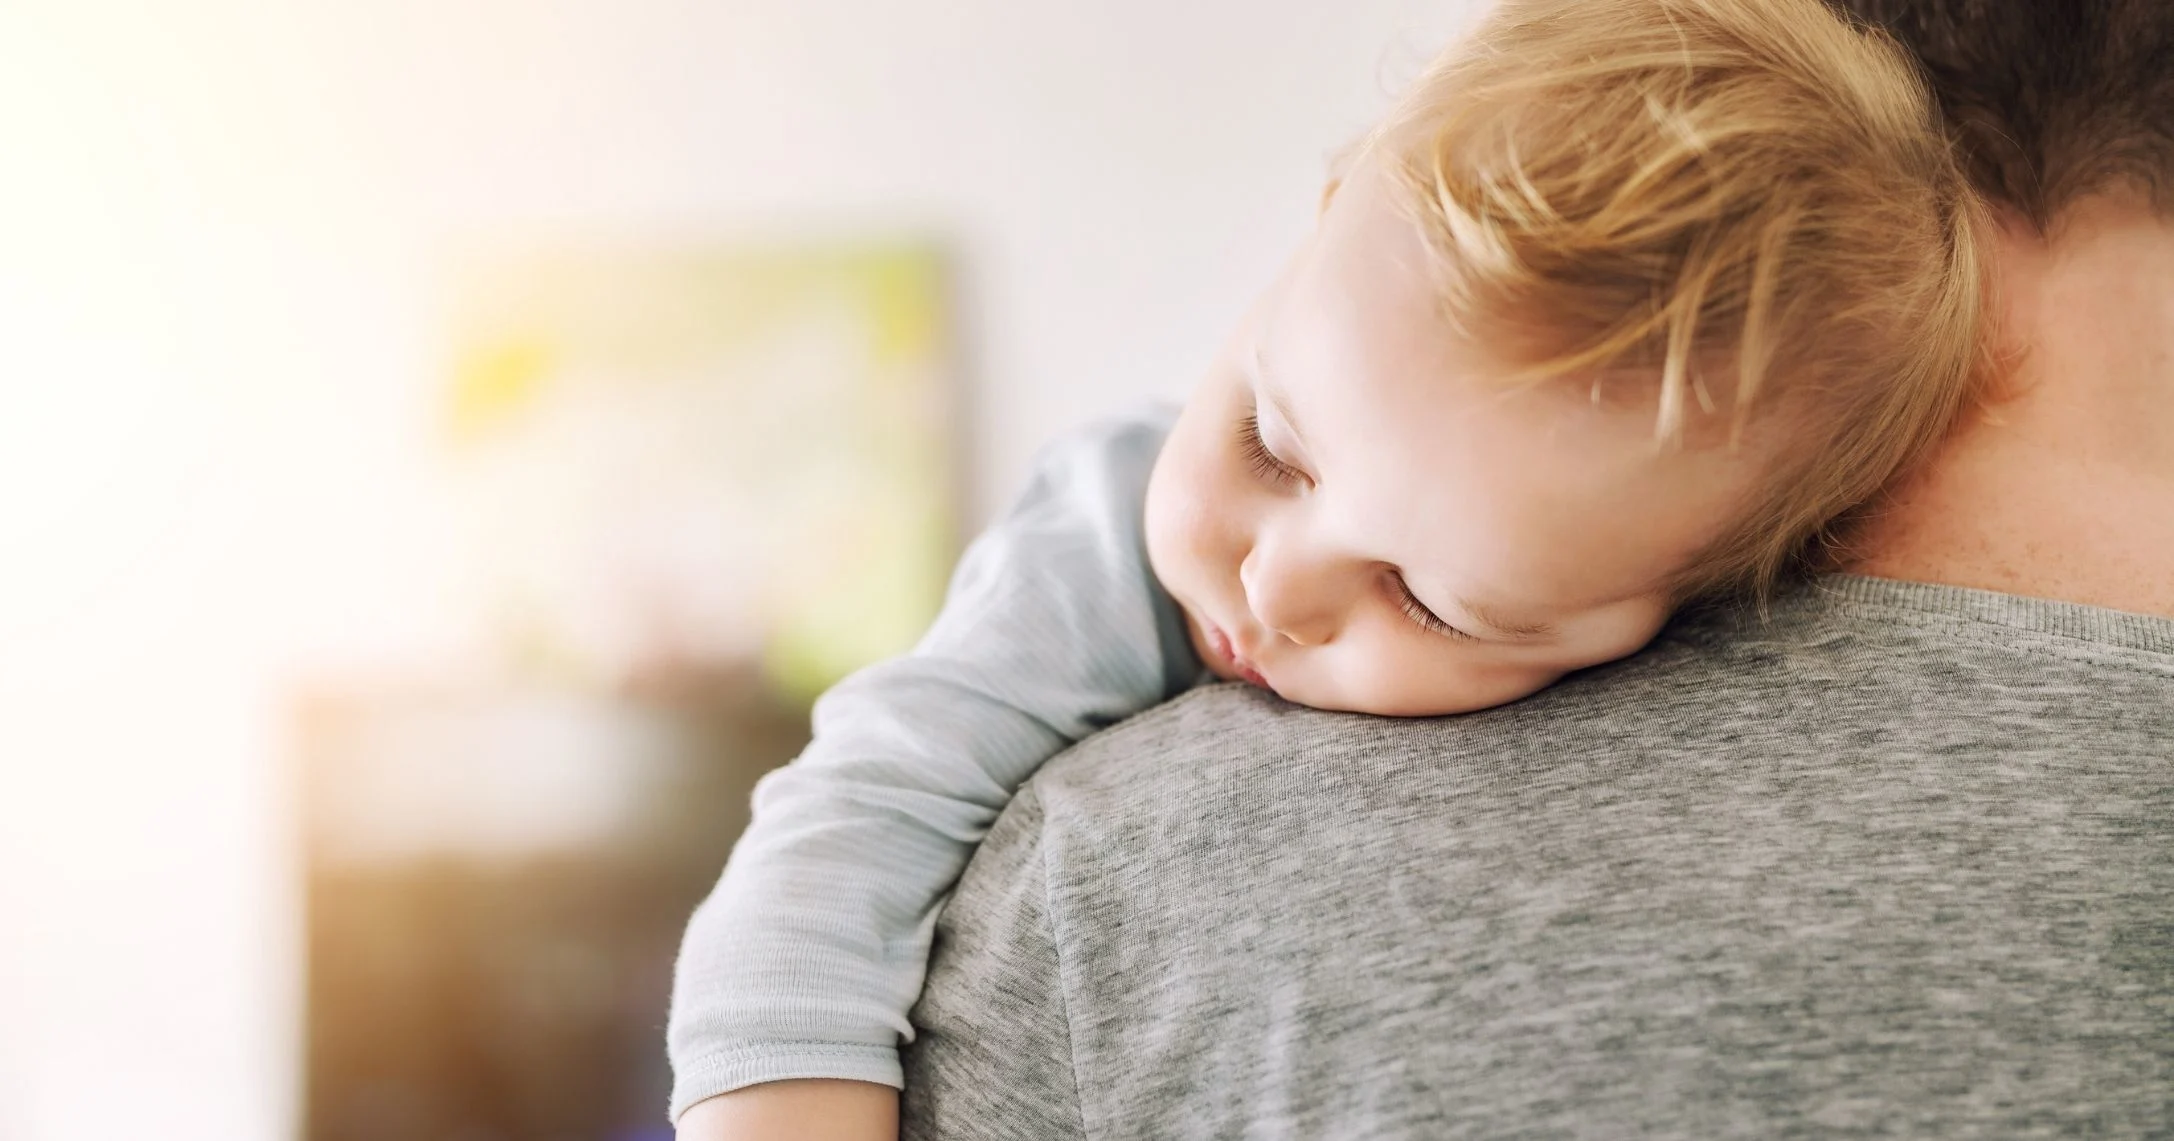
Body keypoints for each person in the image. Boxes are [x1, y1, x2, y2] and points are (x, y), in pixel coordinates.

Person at [667, 0, 1991, 1134]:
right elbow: (828, 858)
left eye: (1429, 601)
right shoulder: (1090, 544)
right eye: (1271, 447)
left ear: (1690, 603)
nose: (1276, 587)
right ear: (1311, 233)